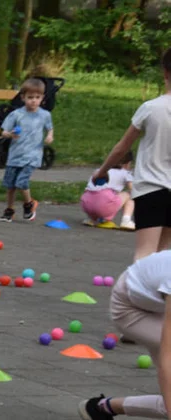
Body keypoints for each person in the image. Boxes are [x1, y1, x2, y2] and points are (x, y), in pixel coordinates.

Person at [79, 250, 171, 420]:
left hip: (157, 304)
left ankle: (102, 408)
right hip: (130, 308)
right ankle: (100, 408)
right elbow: (167, 360)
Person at [91, 48, 171, 261]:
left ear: (164, 72)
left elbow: (122, 147)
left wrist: (102, 171)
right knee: (165, 258)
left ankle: (134, 295)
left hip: (151, 189)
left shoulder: (150, 108)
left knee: (144, 255)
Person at [0, 77, 53, 223]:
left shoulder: (45, 115)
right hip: (15, 155)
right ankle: (9, 209)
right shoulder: (16, 114)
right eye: (30, 97)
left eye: (37, 97)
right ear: (23, 97)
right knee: (10, 186)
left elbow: (49, 128)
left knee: (21, 182)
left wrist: (49, 136)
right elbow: (3, 131)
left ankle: (29, 204)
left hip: (32, 155)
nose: (33, 101)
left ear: (42, 98)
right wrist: (9, 134)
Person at [81, 151, 134, 230]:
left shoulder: (99, 171)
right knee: (129, 195)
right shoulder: (125, 173)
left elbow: (88, 189)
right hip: (104, 205)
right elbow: (133, 189)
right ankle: (126, 221)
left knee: (96, 194)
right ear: (127, 163)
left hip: (86, 205)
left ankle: (91, 219)